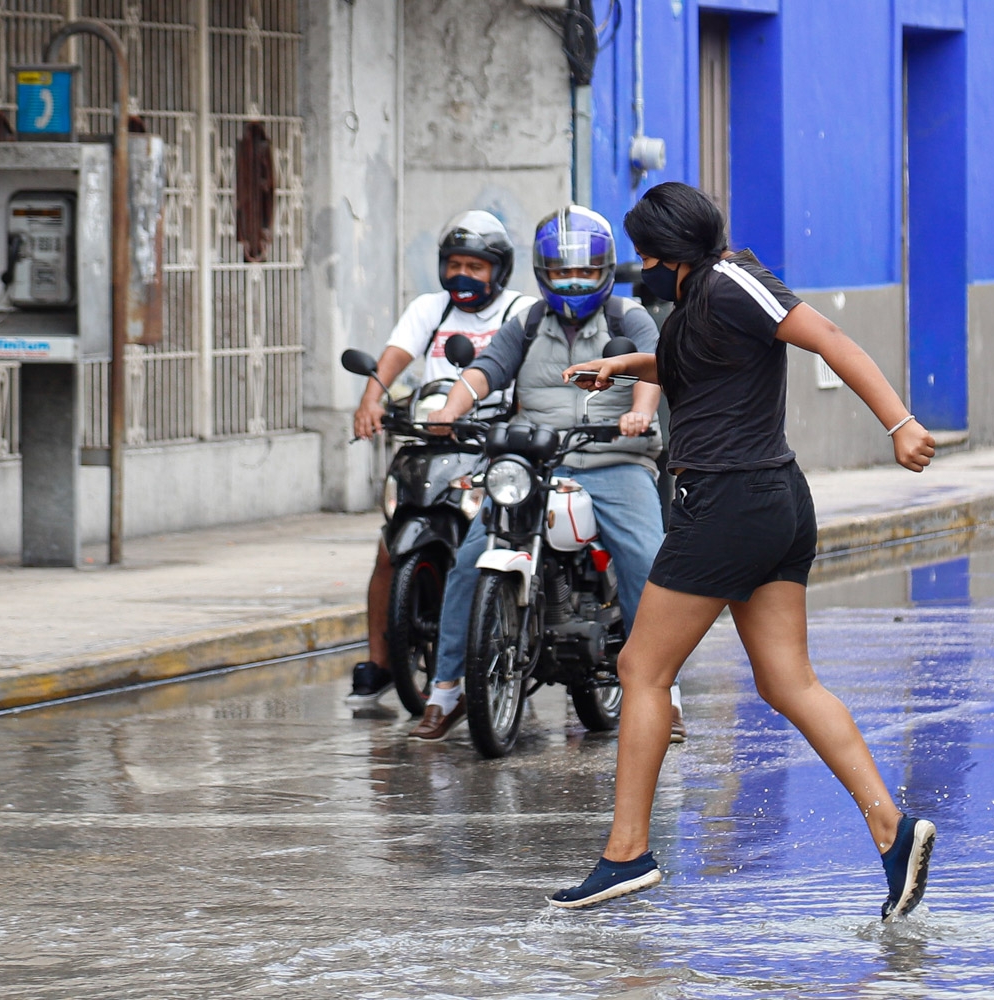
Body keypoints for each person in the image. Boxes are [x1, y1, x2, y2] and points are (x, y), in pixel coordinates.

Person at [550, 182, 939, 921]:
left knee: (641, 667)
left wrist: (900, 423)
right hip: (768, 503)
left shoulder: (731, 281)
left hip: (730, 503)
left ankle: (627, 853)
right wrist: (628, 368)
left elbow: (829, 337)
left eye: (645, 257)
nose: (643, 268)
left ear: (671, 254)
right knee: (787, 681)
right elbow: (707, 367)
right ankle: (892, 832)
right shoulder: (699, 301)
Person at [416, 205, 688, 742]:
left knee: (647, 563)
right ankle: (446, 690)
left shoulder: (627, 318)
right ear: (543, 273)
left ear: (606, 270)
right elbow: (487, 368)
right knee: (468, 561)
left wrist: (639, 411)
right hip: (536, 464)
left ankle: (666, 694)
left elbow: (650, 367)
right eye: (562, 272)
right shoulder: (529, 321)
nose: (573, 282)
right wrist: (450, 406)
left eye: (585, 272)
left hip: (615, 459)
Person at [347, 211, 535, 705]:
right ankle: (380, 662)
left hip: (494, 448)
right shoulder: (431, 309)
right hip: (433, 443)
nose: (463, 275)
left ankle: (514, 636)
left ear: (499, 269)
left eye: (475, 266)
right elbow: (395, 354)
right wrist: (371, 400)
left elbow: (532, 373)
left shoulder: (520, 310)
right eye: (455, 264)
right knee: (389, 549)